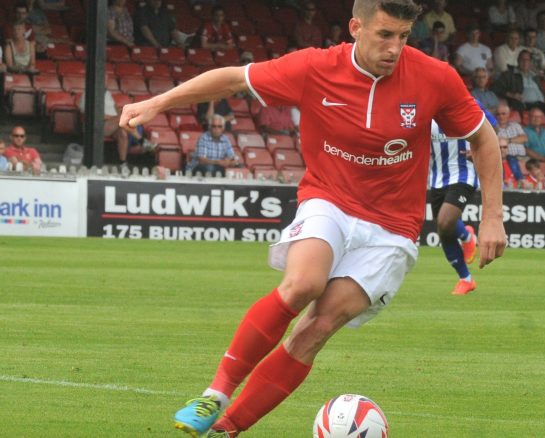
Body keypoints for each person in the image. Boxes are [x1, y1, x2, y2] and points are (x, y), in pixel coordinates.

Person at [118, 1, 506, 437]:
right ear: (355, 28)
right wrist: (158, 102)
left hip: (393, 229)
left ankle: (228, 428)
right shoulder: (315, 67)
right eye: (384, 35)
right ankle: (216, 394)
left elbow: (483, 138)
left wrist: (492, 217)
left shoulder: (434, 76)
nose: (395, 47)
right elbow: (231, 79)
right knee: (303, 284)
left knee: (315, 330)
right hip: (330, 200)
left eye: (403, 36)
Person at [429, 120, 479, 295]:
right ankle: (466, 280)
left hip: (463, 175)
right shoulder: (425, 108)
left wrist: (479, 148)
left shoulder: (468, 104)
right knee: (445, 231)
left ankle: (466, 236)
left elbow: (491, 126)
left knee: (444, 221)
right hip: (436, 179)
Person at [79, 90, 156, 167]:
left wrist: (120, 112)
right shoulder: (88, 93)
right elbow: (90, 114)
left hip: (113, 124)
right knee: (122, 118)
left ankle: (122, 162)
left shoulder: (107, 93)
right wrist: (115, 117)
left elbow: (114, 109)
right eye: (104, 77)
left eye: (106, 77)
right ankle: (141, 141)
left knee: (122, 133)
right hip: (98, 125)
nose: (105, 79)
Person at [493, 49, 545, 114]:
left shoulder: (535, 76)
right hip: (525, 106)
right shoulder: (509, 74)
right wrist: (511, 95)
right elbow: (495, 88)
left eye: (527, 60)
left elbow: (542, 91)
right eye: (522, 59)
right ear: (518, 61)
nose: (525, 62)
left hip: (541, 104)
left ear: (530, 62)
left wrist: (544, 97)